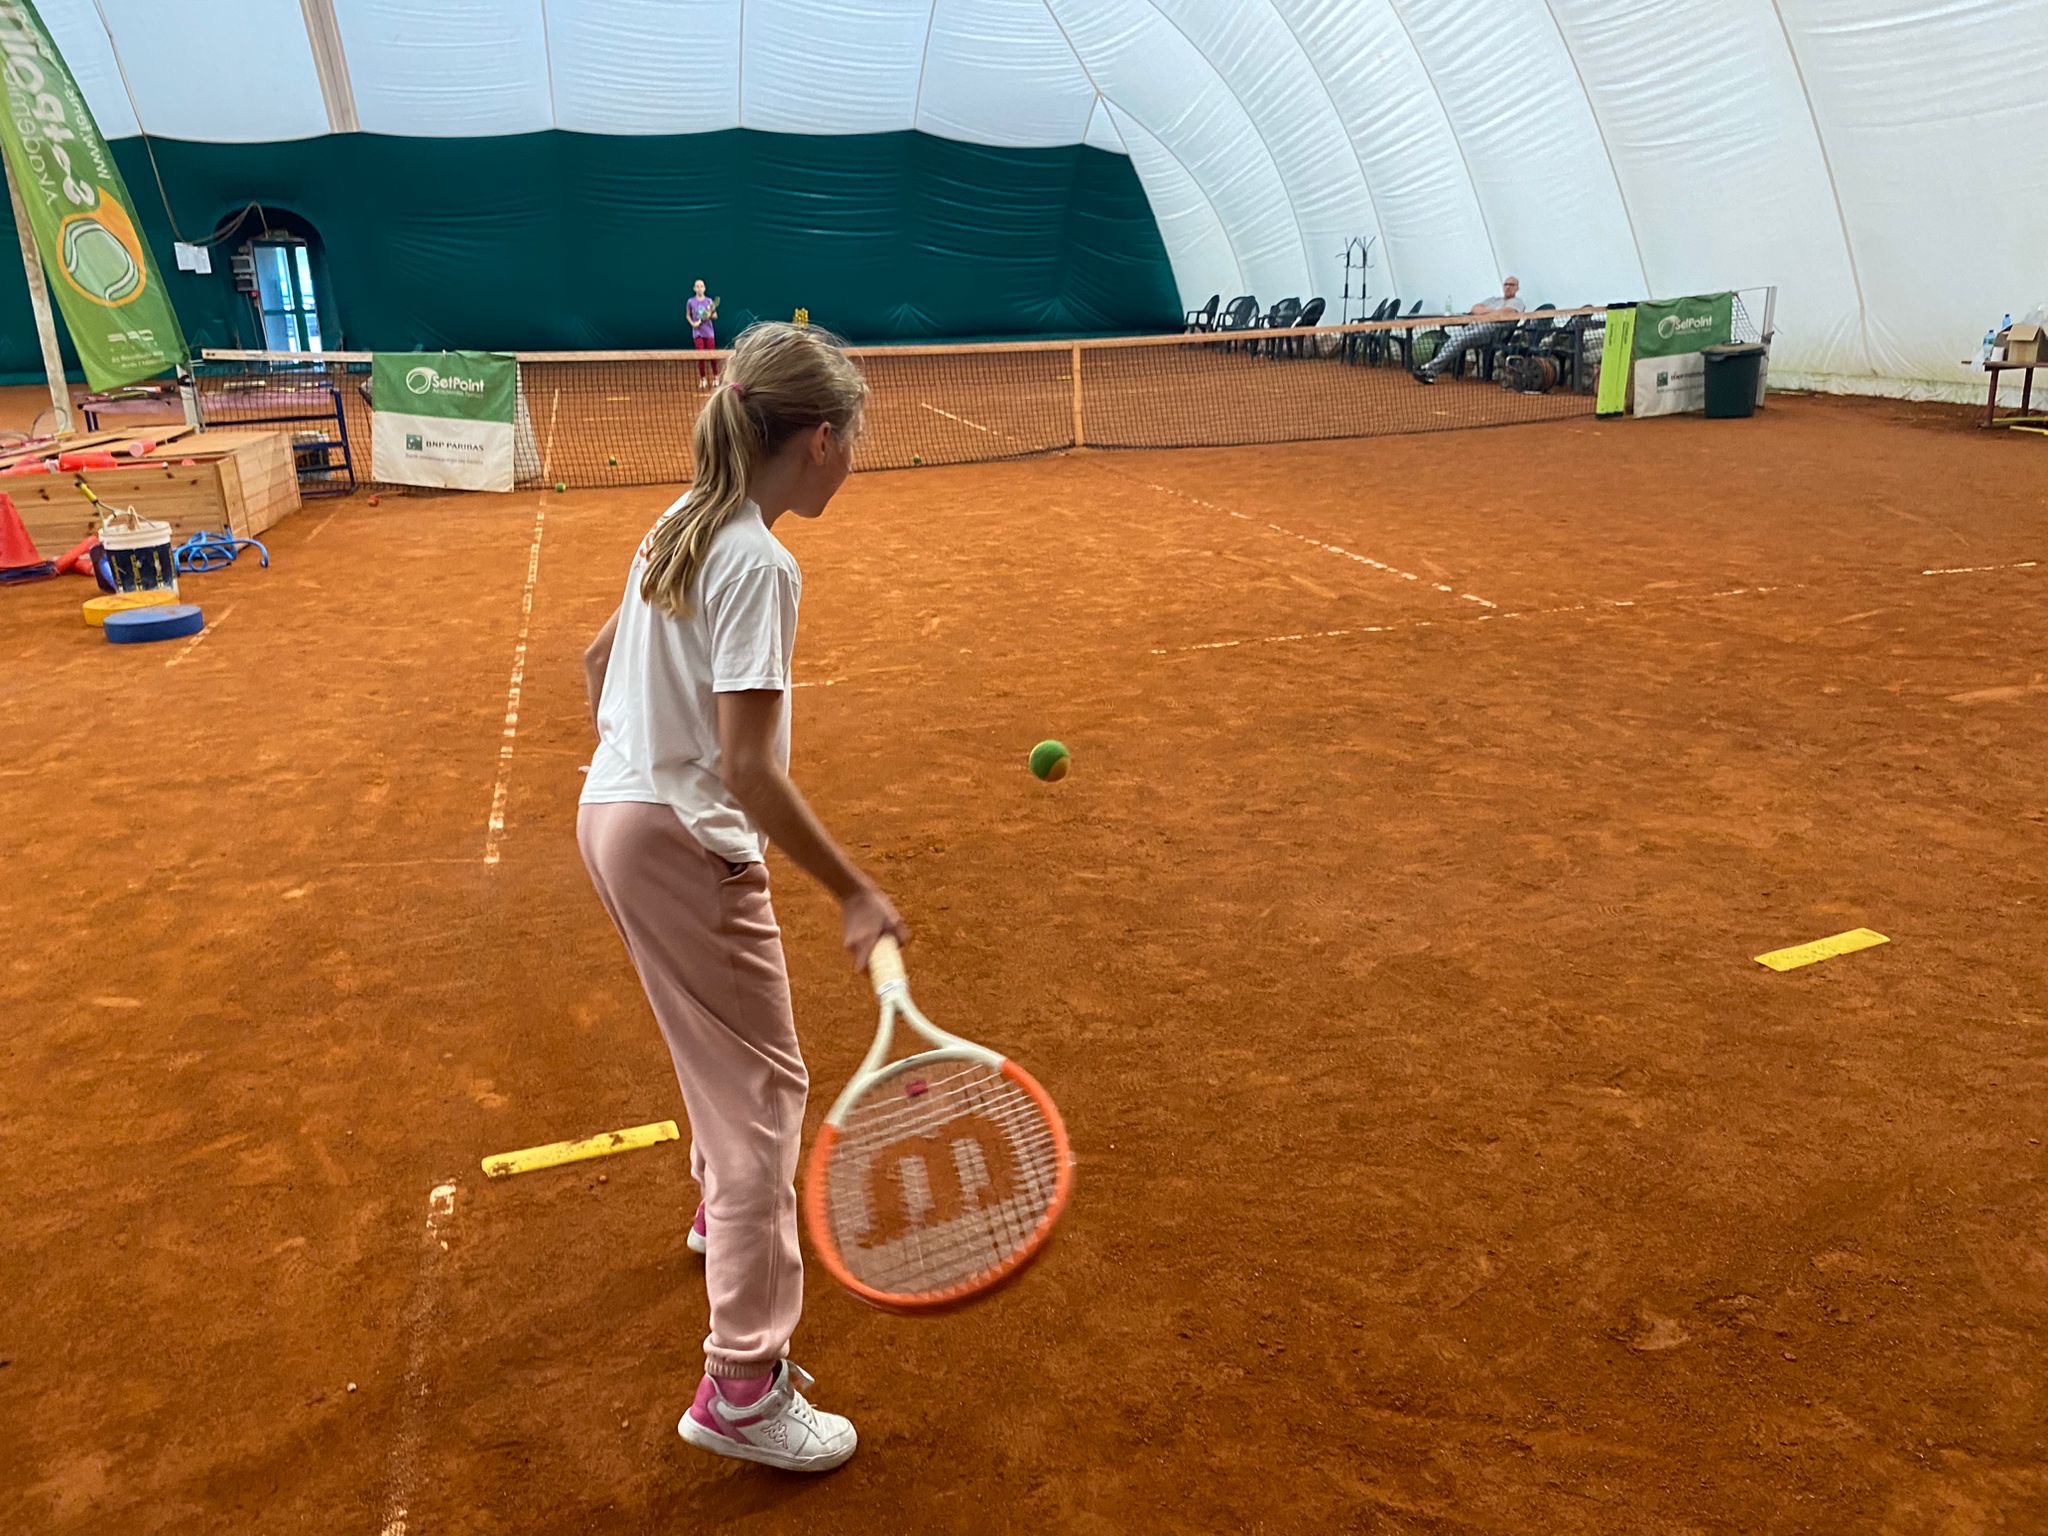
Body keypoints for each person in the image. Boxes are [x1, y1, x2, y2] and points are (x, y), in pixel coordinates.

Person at [578, 322, 906, 1473]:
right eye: (851, 437)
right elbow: (752, 769)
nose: (851, 457)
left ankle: (717, 1215)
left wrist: (642, 756)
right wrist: (853, 893)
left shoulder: (680, 519)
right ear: (818, 440)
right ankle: (742, 1387)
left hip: (610, 817)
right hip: (681, 845)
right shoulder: (759, 561)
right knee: (765, 1100)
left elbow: (595, 662)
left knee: (715, 1062)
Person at [1413, 276, 1525, 384]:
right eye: (1506, 284)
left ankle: (1429, 370)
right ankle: (1429, 369)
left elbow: (1504, 313)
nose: (1508, 287)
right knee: (1455, 338)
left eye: (1511, 285)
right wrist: (1492, 313)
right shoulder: (1494, 300)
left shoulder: (1517, 302)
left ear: (1517, 288)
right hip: (1476, 324)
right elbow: (1475, 309)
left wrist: (1485, 313)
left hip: (1493, 332)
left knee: (1462, 340)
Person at [687, 279, 720, 387]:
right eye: (697, 286)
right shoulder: (690, 301)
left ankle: (716, 376)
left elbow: (715, 316)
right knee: (700, 356)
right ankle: (703, 378)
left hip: (709, 332)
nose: (699, 288)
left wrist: (709, 315)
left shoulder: (709, 301)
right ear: (694, 288)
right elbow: (688, 315)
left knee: (712, 355)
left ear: (704, 288)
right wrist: (693, 324)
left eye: (701, 286)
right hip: (697, 333)